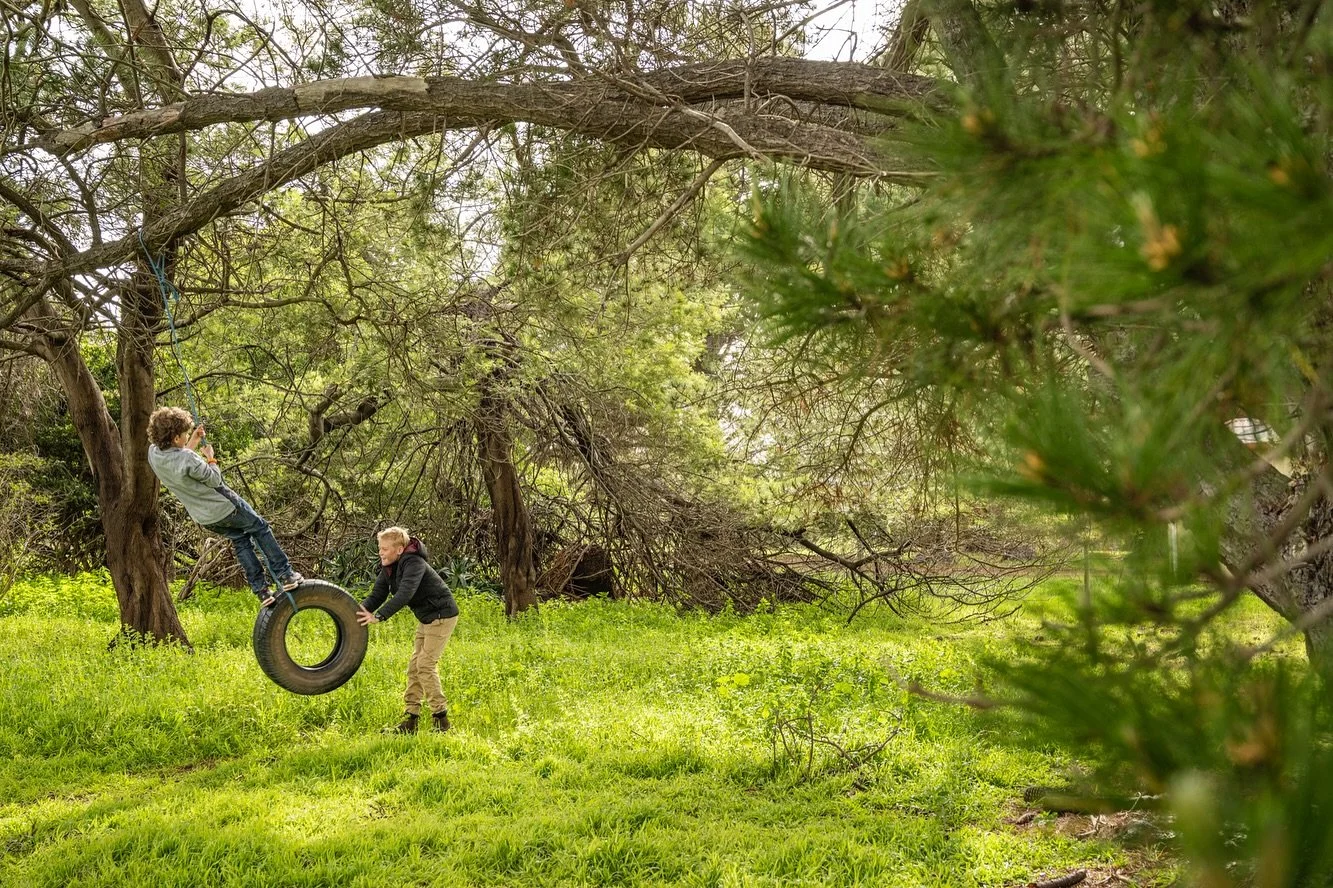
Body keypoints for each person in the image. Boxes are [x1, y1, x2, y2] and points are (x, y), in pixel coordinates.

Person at [147, 407, 303, 605]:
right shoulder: (189, 458)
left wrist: (193, 441)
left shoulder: (153, 453)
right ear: (177, 438)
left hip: (205, 518)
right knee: (260, 528)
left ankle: (262, 591)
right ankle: (286, 575)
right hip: (226, 506)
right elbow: (213, 479)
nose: (188, 436)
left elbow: (178, 461)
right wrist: (210, 457)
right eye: (185, 434)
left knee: (240, 540)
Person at [357, 527, 460, 733]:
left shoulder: (414, 563)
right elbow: (377, 594)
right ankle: (410, 720)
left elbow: (405, 593)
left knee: (425, 665)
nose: (381, 553)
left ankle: (441, 720)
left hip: (442, 615)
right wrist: (356, 612)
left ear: (399, 549)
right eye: (380, 548)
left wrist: (379, 616)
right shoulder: (389, 567)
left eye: (385, 549)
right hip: (426, 618)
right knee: (414, 667)